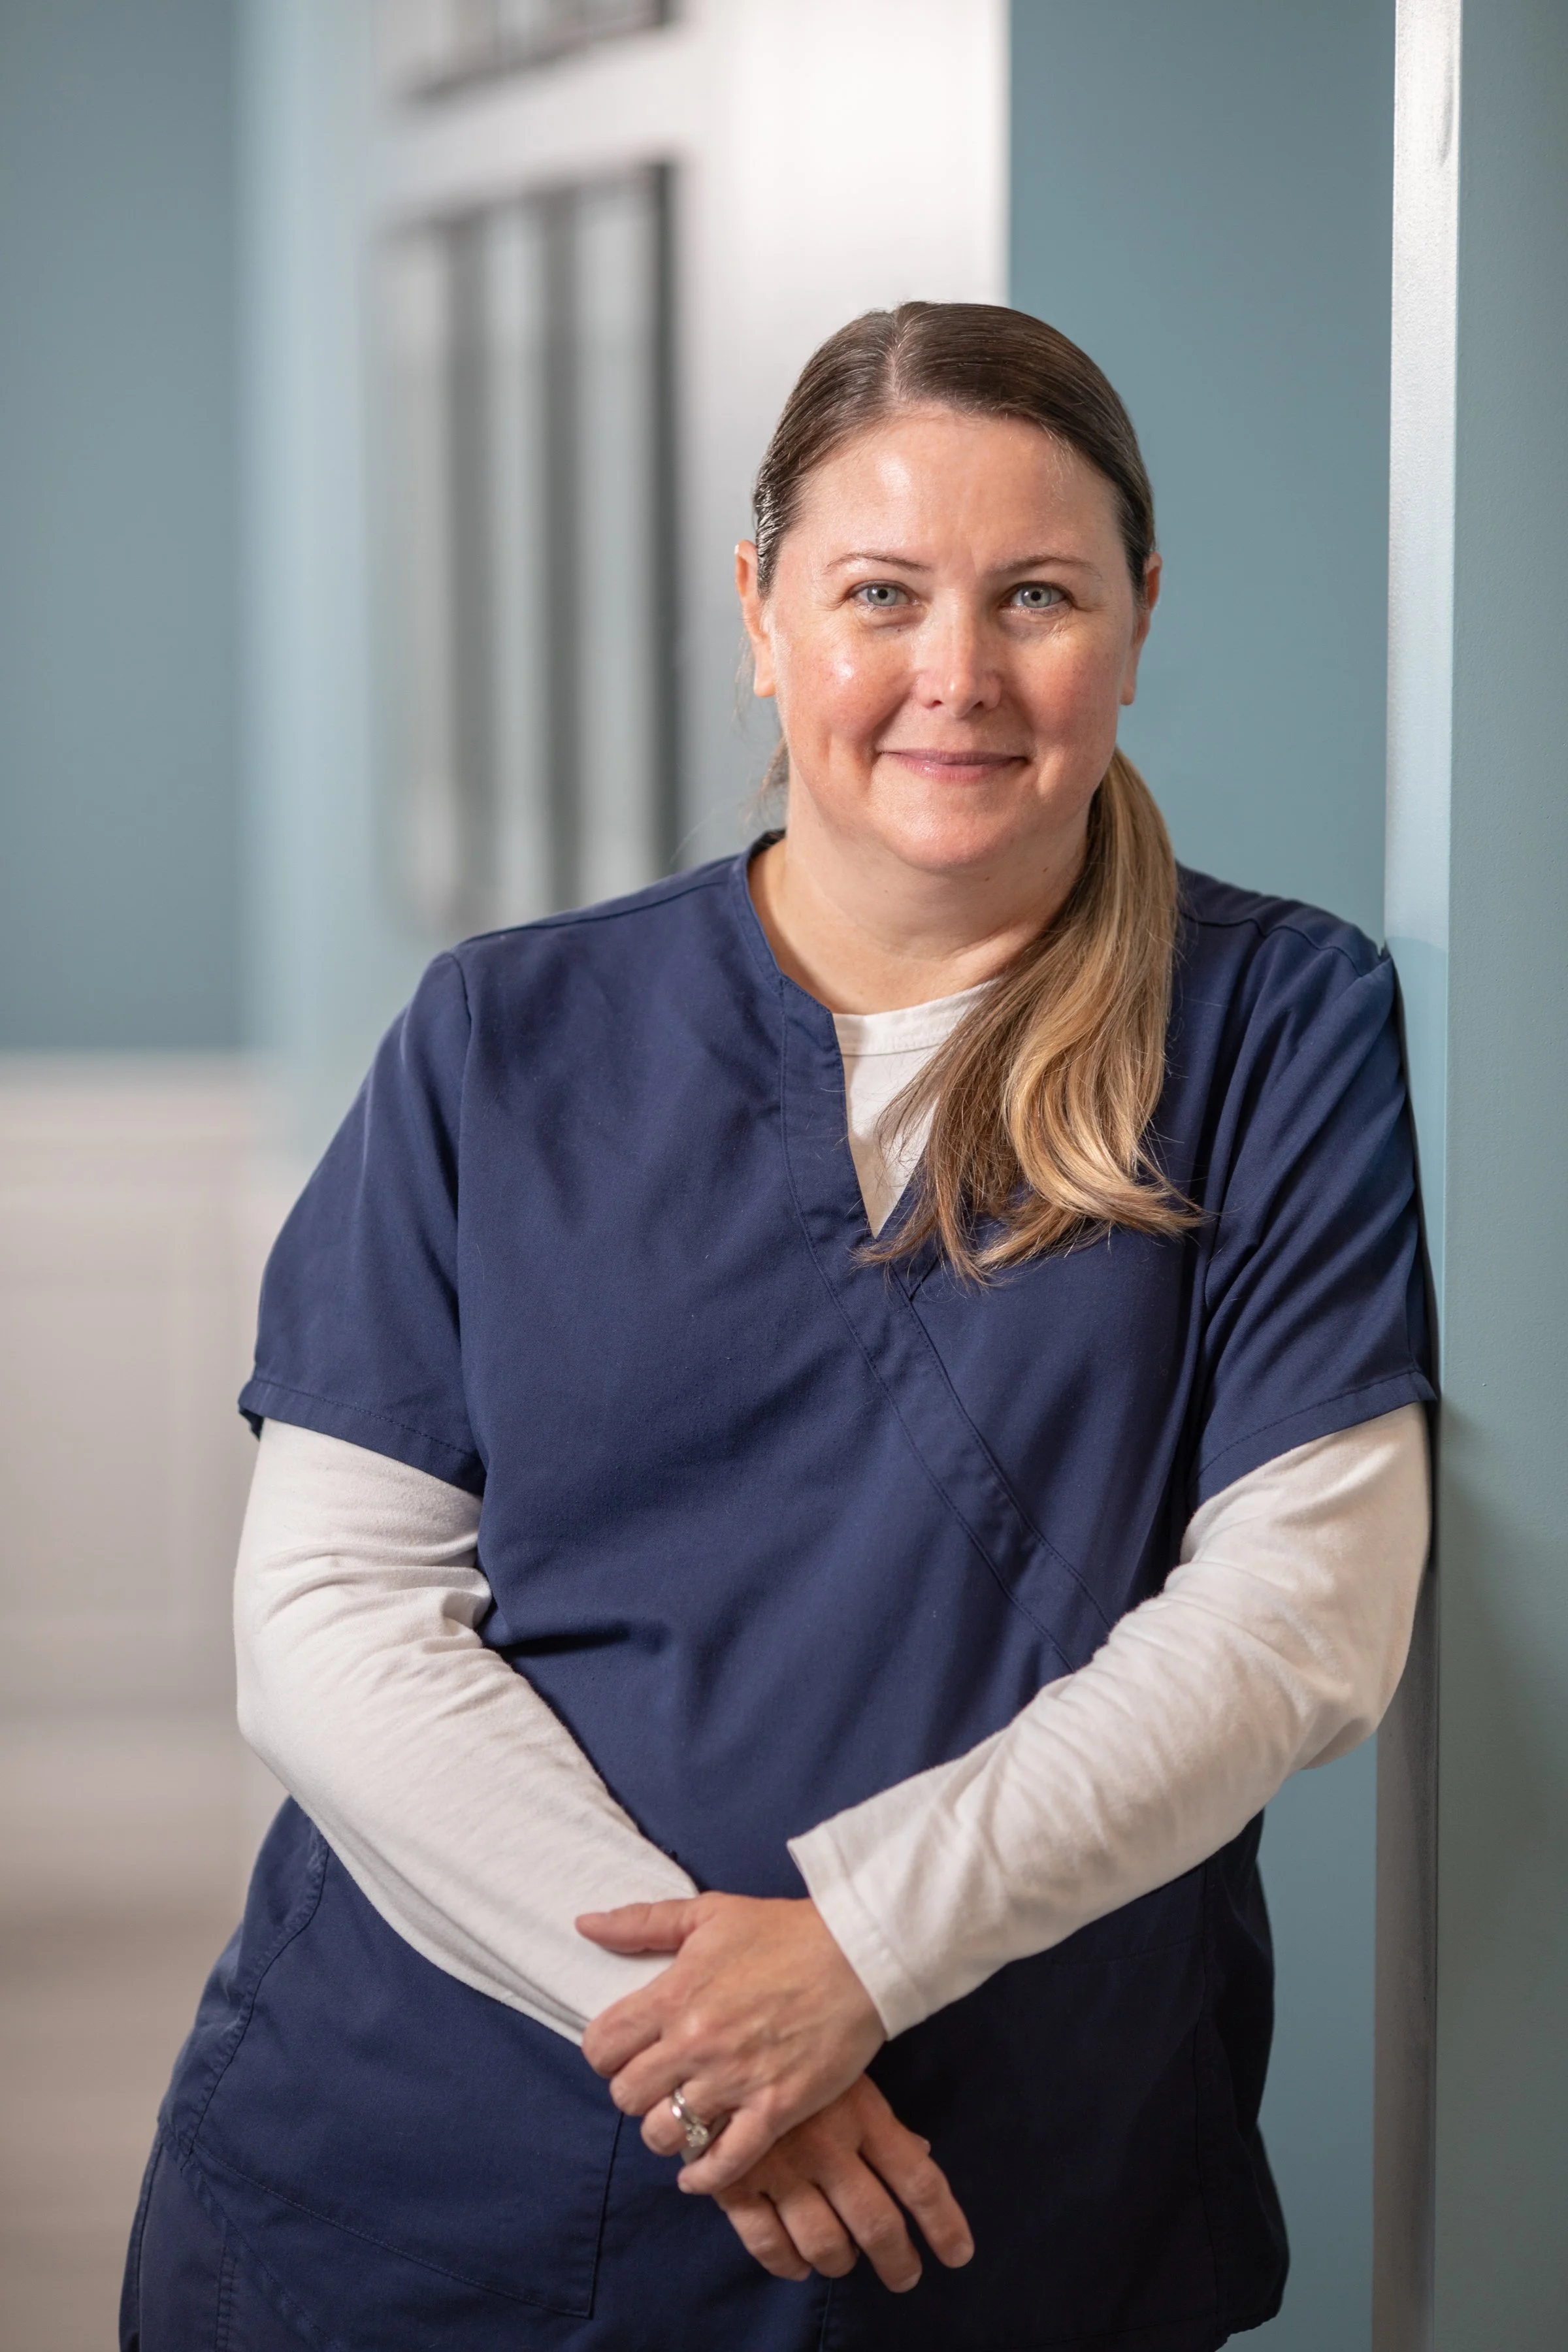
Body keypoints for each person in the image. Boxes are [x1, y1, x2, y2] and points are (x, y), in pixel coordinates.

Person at [122, 302, 1431, 2352]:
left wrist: (860, 1952)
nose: (956, 674)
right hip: (435, 2157)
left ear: (1139, 616)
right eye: (880, 593)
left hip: (993, 2189)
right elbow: (330, 1618)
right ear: (761, 613)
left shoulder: (1277, 1031)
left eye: (1037, 596)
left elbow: (1305, 1612)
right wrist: (710, 2029)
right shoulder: (501, 1035)